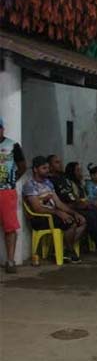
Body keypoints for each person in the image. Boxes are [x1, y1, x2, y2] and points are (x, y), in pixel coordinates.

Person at [48, 155, 97, 253]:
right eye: (57, 162)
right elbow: (59, 202)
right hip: (66, 207)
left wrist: (81, 203)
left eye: (60, 162)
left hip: (75, 205)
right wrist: (78, 204)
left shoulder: (63, 178)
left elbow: (72, 195)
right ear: (50, 166)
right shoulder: (50, 181)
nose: (60, 164)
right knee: (92, 216)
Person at [22, 156, 87, 263]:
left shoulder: (48, 183)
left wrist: (74, 213)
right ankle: (69, 252)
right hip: (40, 218)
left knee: (81, 221)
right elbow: (37, 208)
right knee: (71, 222)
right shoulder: (30, 185)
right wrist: (58, 212)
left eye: (47, 168)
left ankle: (65, 250)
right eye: (44, 168)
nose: (47, 170)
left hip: (52, 214)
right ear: (35, 169)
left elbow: (59, 203)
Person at [0, 117, 26, 273]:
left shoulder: (13, 145)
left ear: (3, 129)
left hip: (6, 191)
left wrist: (12, 180)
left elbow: (23, 167)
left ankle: (10, 260)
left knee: (9, 226)